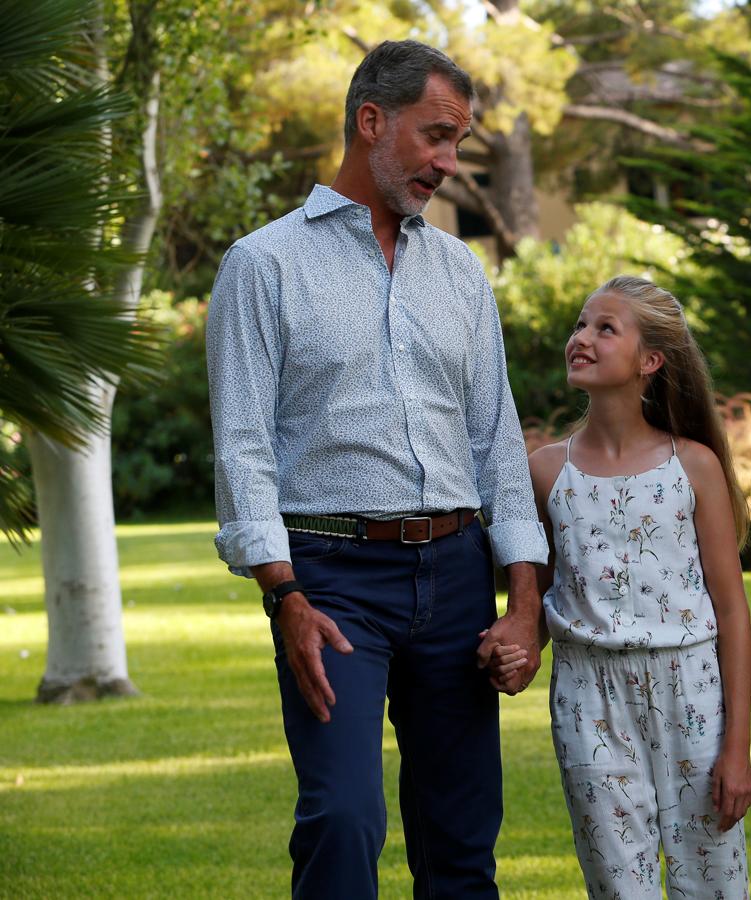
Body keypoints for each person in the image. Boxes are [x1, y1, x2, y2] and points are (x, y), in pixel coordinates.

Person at [205, 40, 547, 899]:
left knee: (462, 842)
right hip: (331, 582)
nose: (449, 162)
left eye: (458, 143)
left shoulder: (461, 274)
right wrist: (282, 594)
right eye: (436, 136)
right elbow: (242, 445)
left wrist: (526, 600)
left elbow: (495, 442)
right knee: (342, 816)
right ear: (370, 121)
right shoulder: (263, 266)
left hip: (457, 578)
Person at [492, 275, 751, 898]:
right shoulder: (545, 471)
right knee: (618, 885)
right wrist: (514, 646)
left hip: (691, 690)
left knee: (713, 882)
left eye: (604, 328)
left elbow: (734, 612)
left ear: (650, 361)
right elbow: (532, 601)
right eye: (581, 324)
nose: (581, 338)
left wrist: (738, 748)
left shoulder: (693, 465)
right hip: (588, 697)